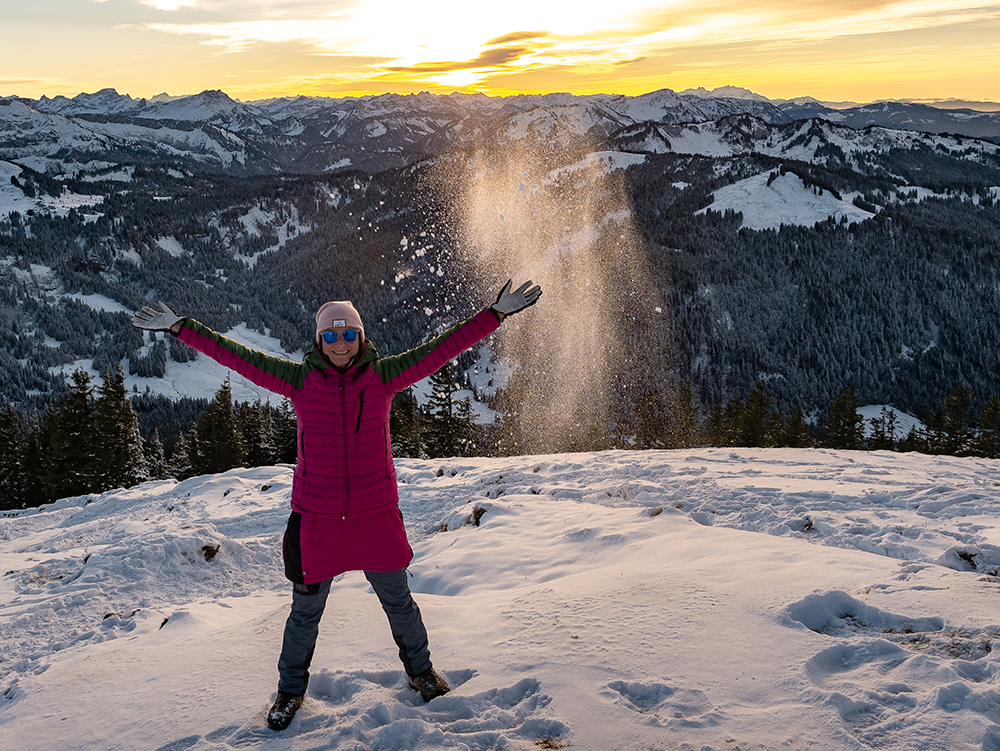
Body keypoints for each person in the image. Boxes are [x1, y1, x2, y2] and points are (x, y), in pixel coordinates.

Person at [130, 279, 541, 731]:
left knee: (400, 603)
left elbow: (439, 350)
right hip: (318, 520)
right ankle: (289, 693)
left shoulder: (382, 376)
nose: (340, 343)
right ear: (318, 340)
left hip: (374, 516)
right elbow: (239, 357)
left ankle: (421, 673)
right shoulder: (299, 380)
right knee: (304, 613)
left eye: (348, 334)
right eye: (331, 334)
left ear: (361, 338)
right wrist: (182, 328)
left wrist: (494, 315)